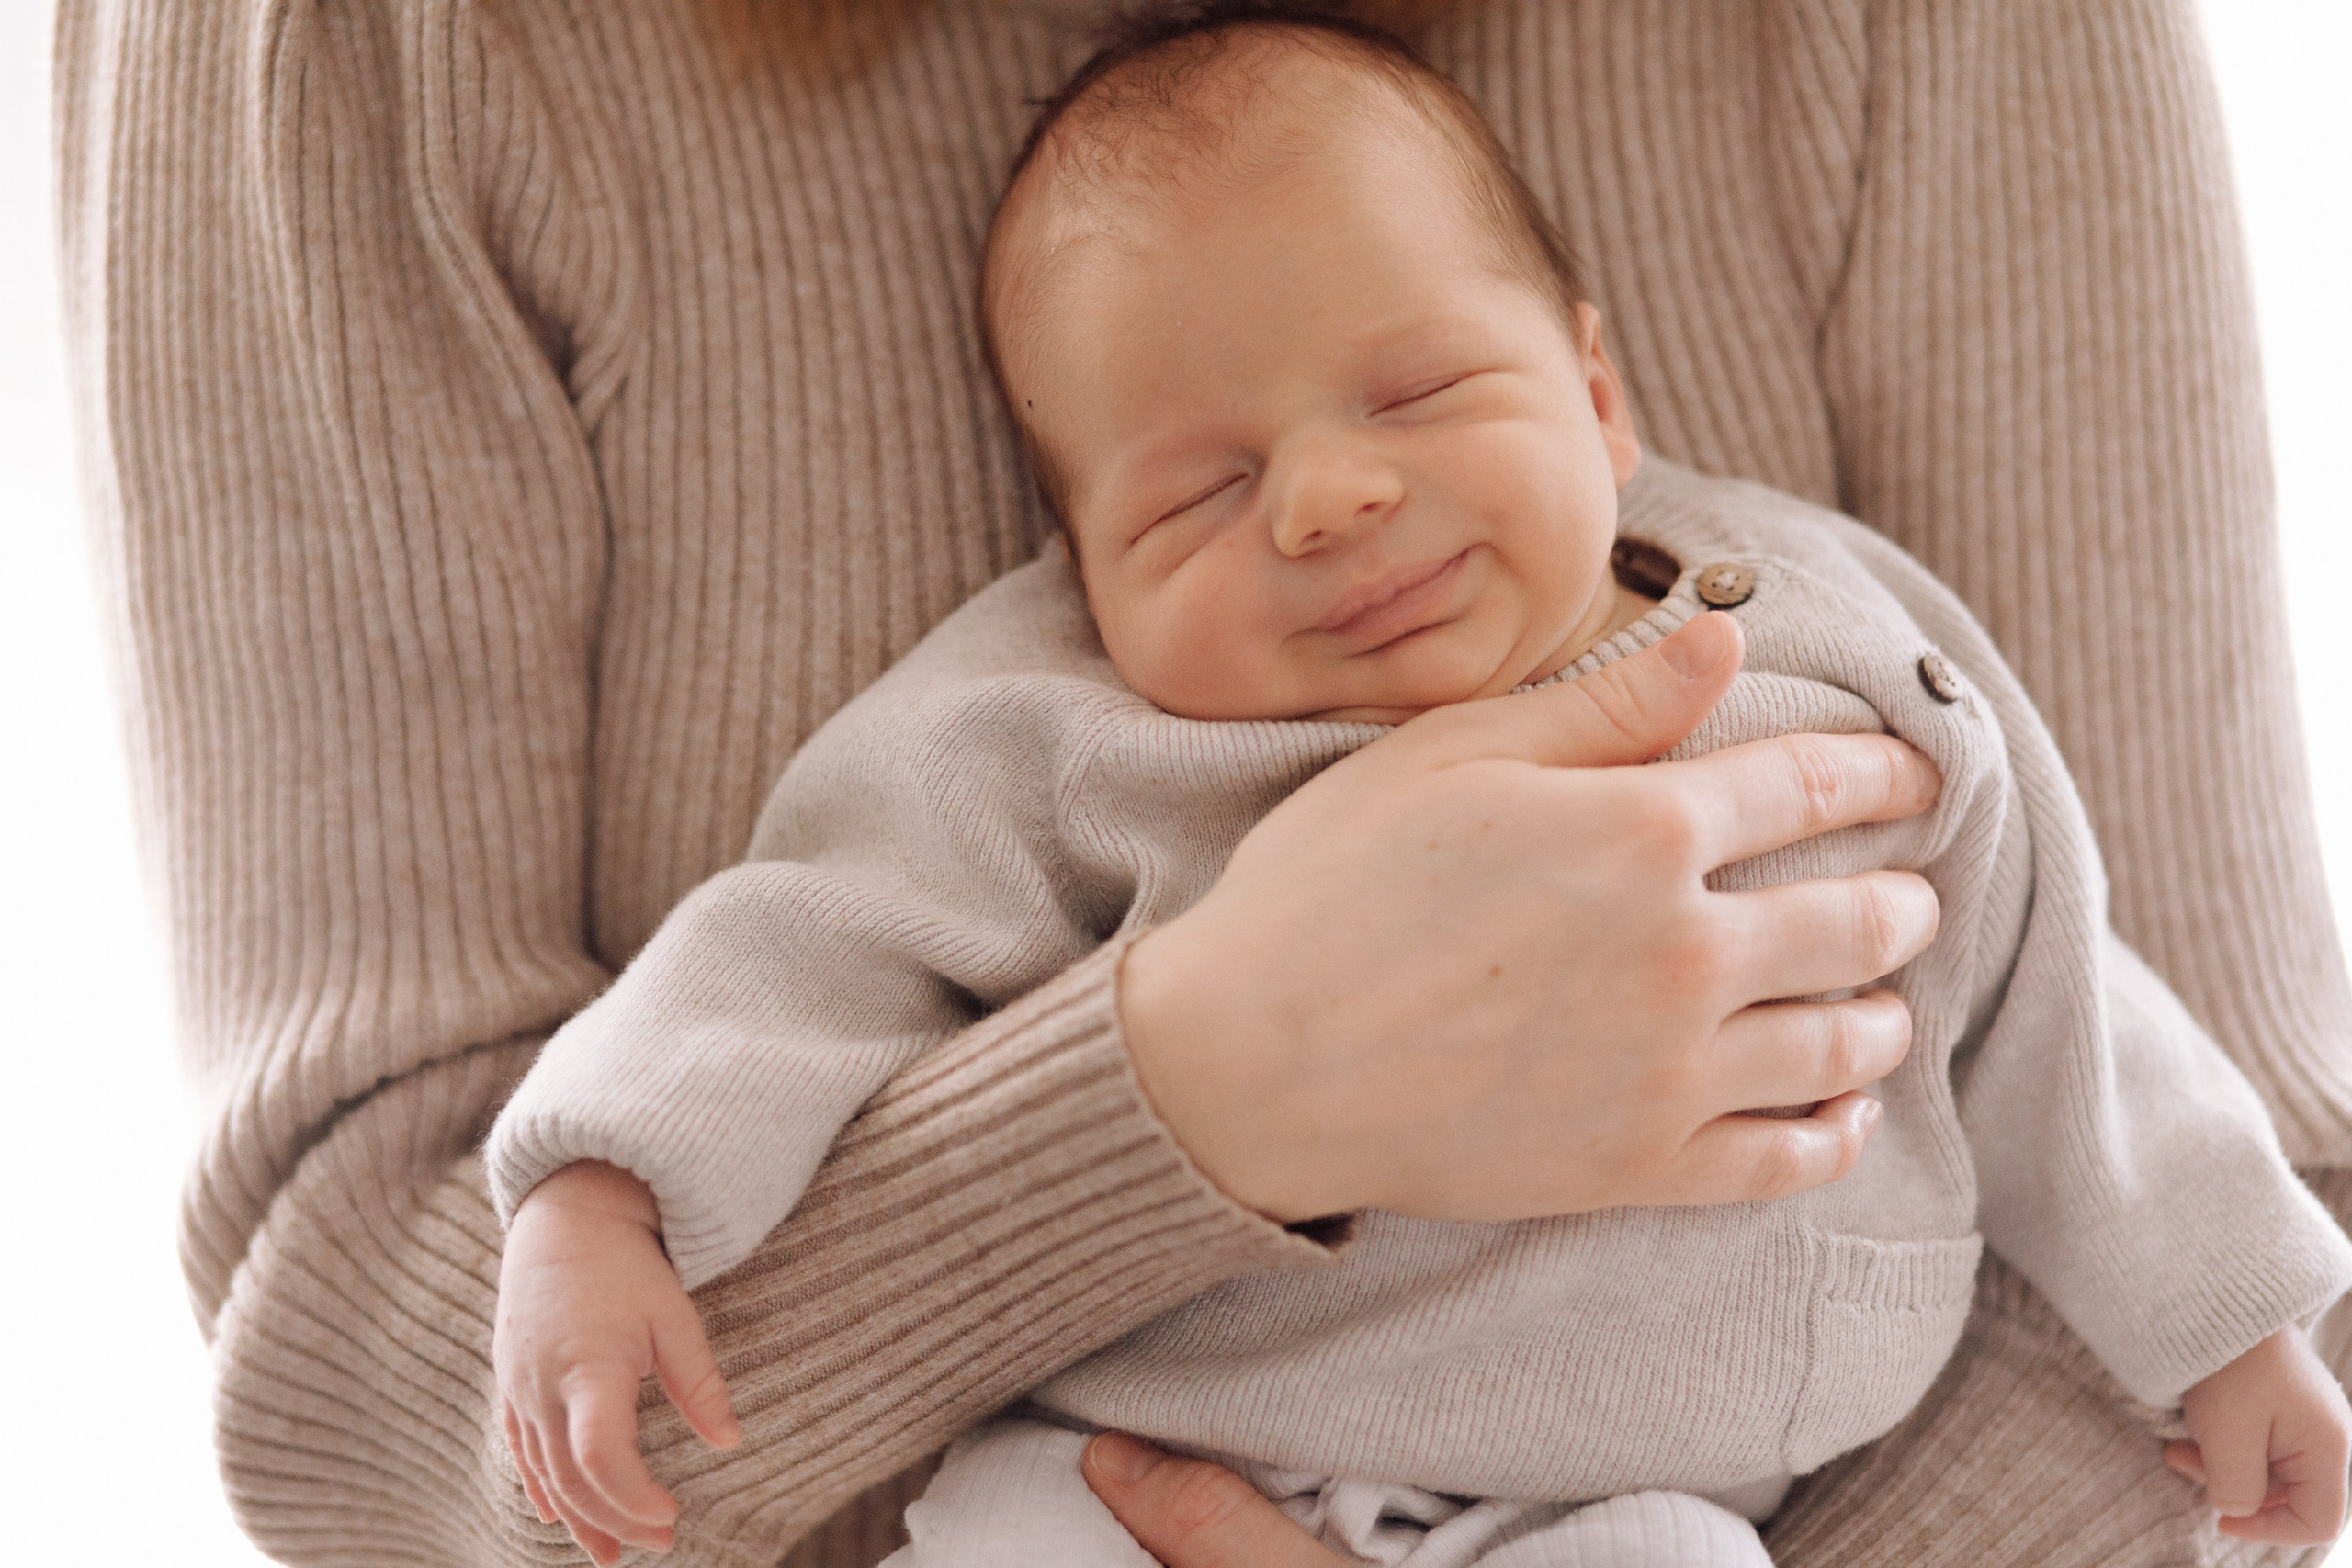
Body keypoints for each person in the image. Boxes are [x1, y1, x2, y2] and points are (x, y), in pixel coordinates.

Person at [55, 2, 2352, 1564]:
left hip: (1659, 1508)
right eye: (1191, 497)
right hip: (1134, 1469)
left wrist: (2228, 1307)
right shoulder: (1055, 737)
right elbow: (781, 956)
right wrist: (612, 1183)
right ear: (1073, 564)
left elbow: (2095, 1016)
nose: (1330, 501)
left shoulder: (1831, 647)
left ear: (1598, 388)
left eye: (1416, 394)